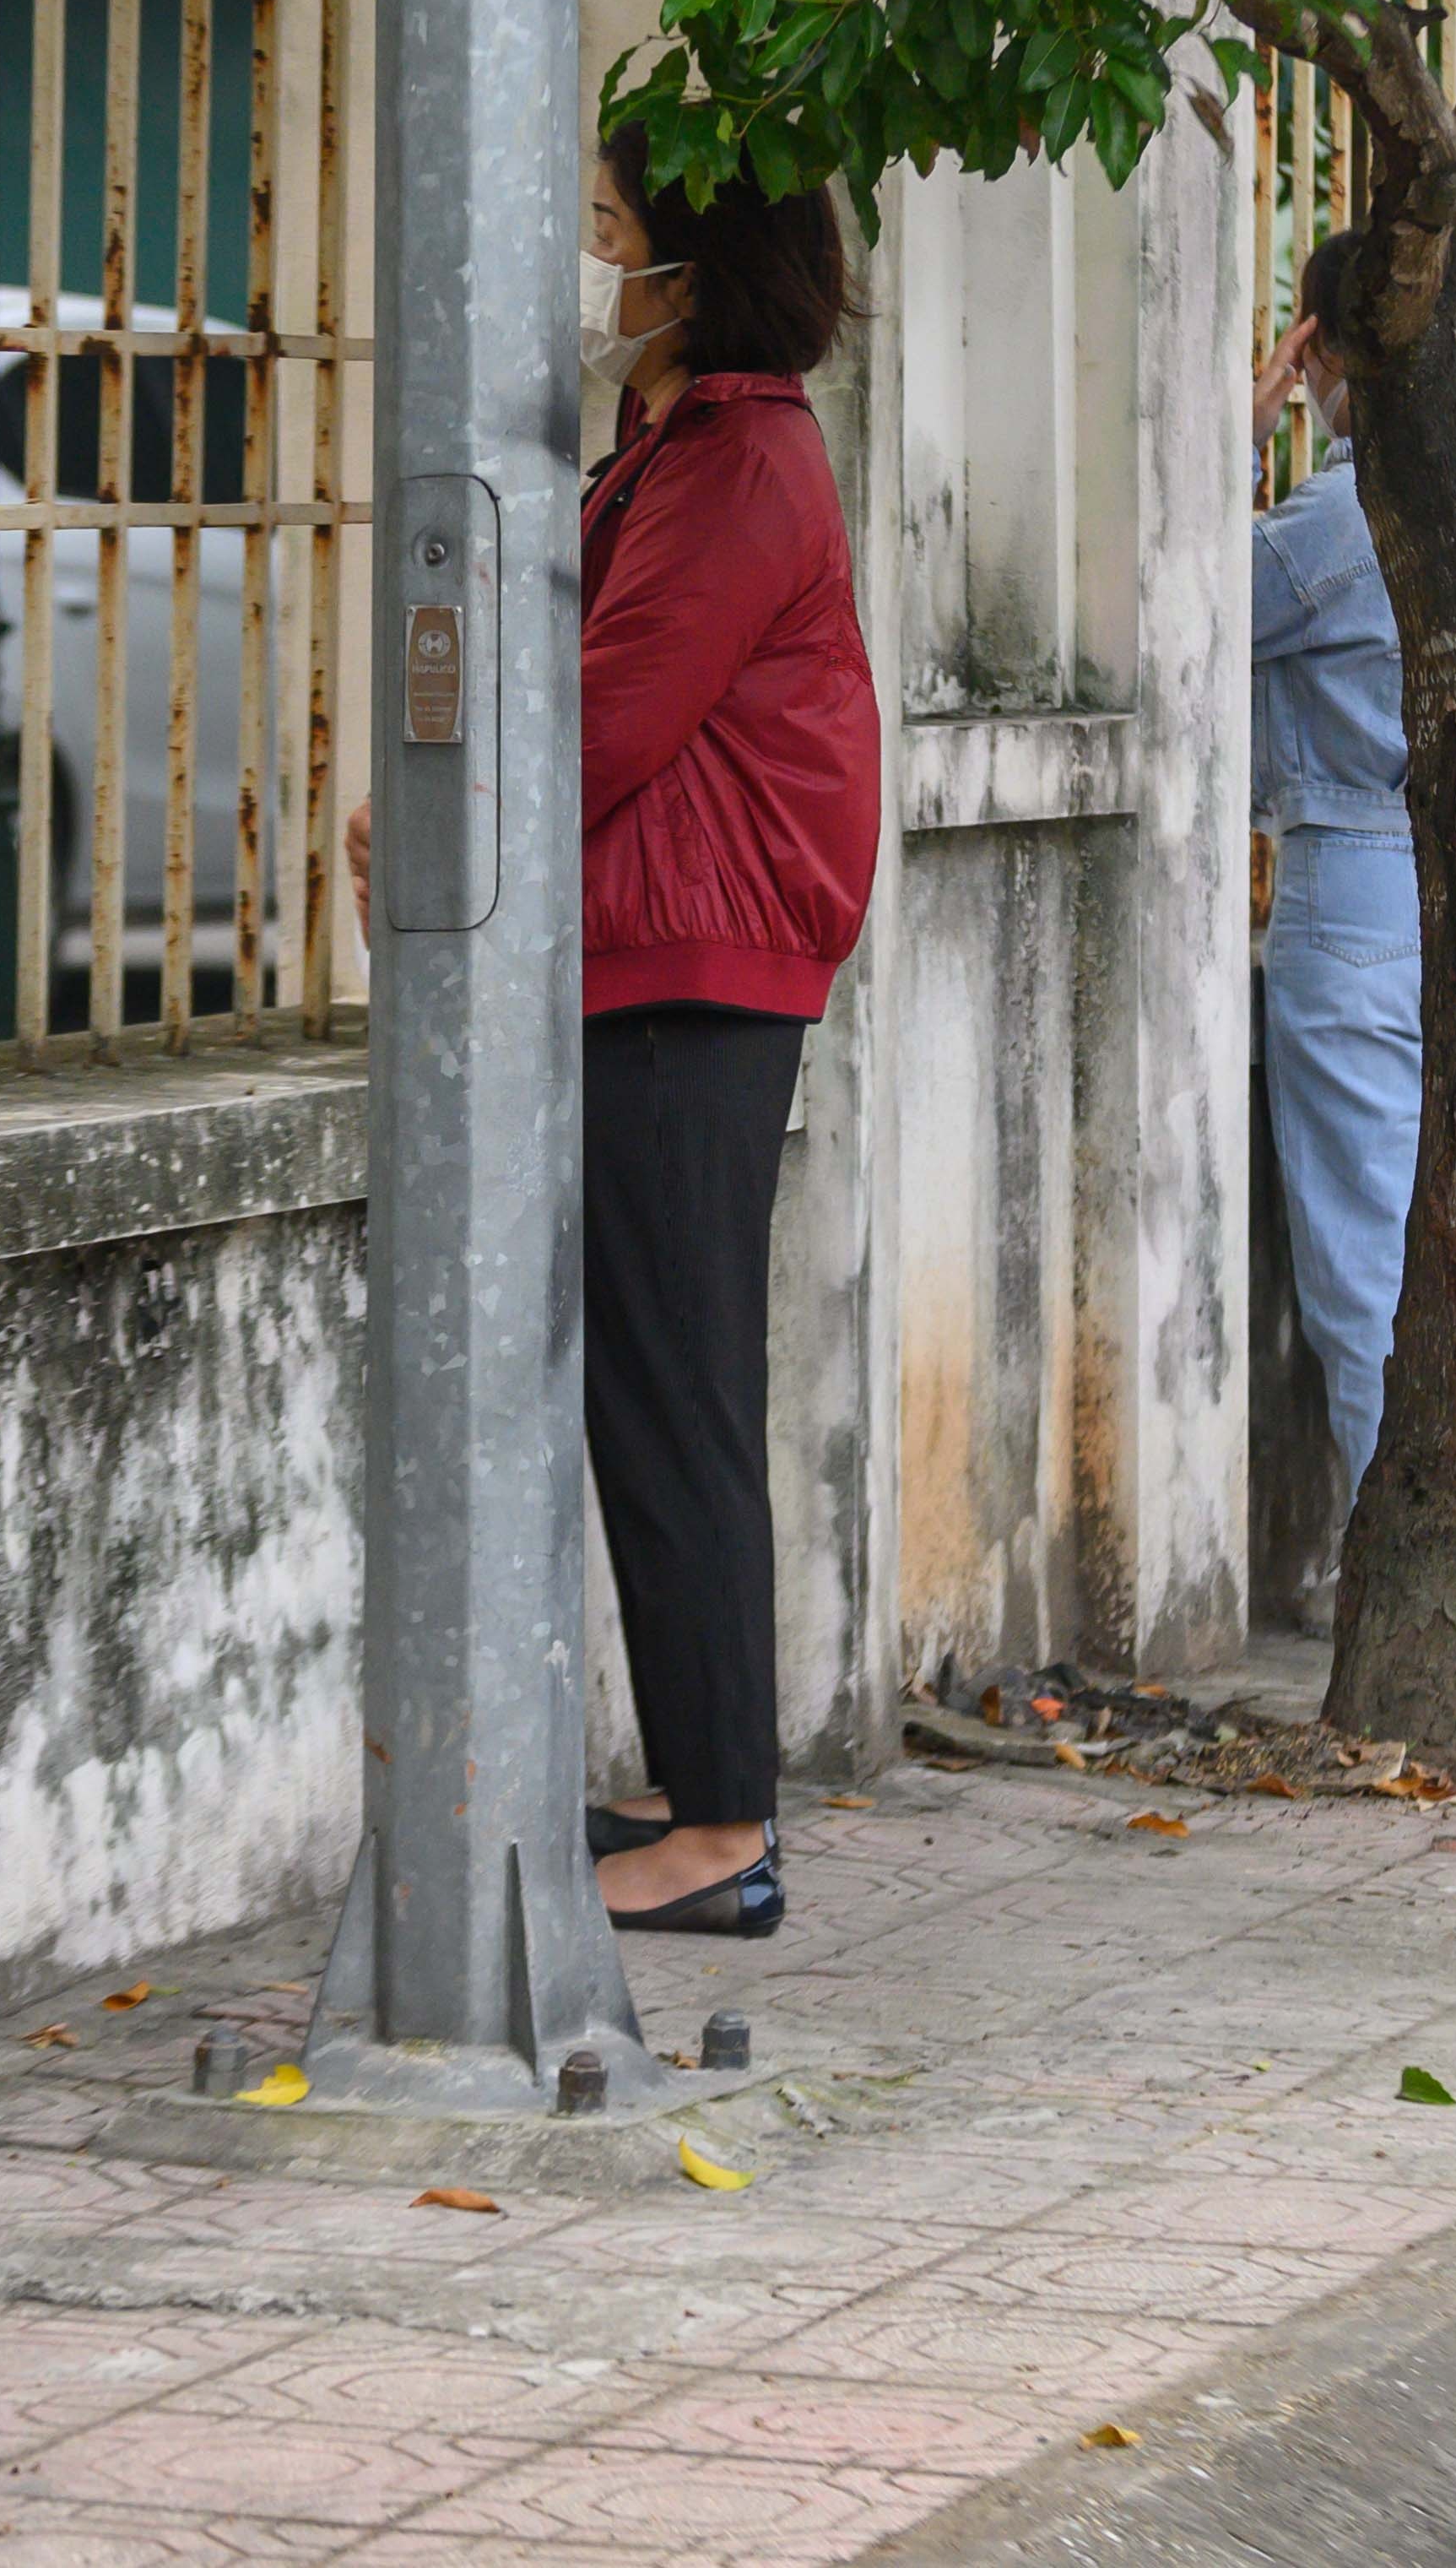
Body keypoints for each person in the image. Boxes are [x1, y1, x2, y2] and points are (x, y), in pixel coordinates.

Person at [567, 132, 884, 1931]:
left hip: (689, 970)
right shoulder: (687, 448)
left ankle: (724, 1824)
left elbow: (604, 717)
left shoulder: (739, 455)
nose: (597, 261)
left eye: (617, 229)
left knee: (675, 1387)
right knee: (660, 1381)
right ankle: (703, 1782)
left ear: (697, 263)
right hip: (671, 958)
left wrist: (427, 817)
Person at [1248, 230, 1456, 1655]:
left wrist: (1236, 432)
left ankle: (1433, 1539)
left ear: (1328, 352)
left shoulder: (1335, 516)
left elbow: (1163, 612)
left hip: (1356, 885)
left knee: (1366, 1241)